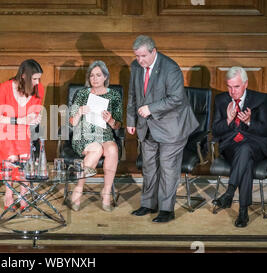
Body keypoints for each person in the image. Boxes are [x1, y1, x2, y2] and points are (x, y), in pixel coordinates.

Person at [126, 35, 199, 223]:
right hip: (146, 126)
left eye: (143, 56)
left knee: (168, 168)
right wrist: (131, 120)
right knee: (149, 166)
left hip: (171, 125)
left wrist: (150, 108)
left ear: (153, 52)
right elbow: (133, 95)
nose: (139, 60)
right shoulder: (136, 67)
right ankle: (148, 204)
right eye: (137, 56)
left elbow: (177, 98)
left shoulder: (170, 68)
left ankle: (167, 209)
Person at [212, 67, 267, 228]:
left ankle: (229, 194)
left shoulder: (260, 99)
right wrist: (228, 121)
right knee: (246, 159)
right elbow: (215, 131)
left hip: (255, 146)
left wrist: (249, 123)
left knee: (245, 150)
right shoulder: (221, 100)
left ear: (245, 84)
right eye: (229, 87)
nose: (232, 91)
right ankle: (243, 211)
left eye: (236, 87)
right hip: (231, 147)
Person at [0, 59, 45, 211]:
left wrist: (35, 119)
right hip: (1, 127)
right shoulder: (5, 88)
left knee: (24, 158)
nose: (38, 82)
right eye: (35, 79)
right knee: (12, 157)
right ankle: (9, 194)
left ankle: (23, 196)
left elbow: (34, 115)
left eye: (39, 79)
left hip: (21, 128)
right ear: (24, 76)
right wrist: (20, 119)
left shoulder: (39, 89)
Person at [67, 60, 122, 212]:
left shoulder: (114, 96)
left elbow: (118, 125)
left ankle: (106, 191)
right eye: (92, 75)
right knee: (96, 149)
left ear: (105, 77)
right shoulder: (82, 94)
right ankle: (79, 188)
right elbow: (72, 122)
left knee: (112, 150)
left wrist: (110, 120)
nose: (95, 78)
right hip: (84, 134)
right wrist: (79, 112)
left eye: (98, 75)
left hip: (105, 134)